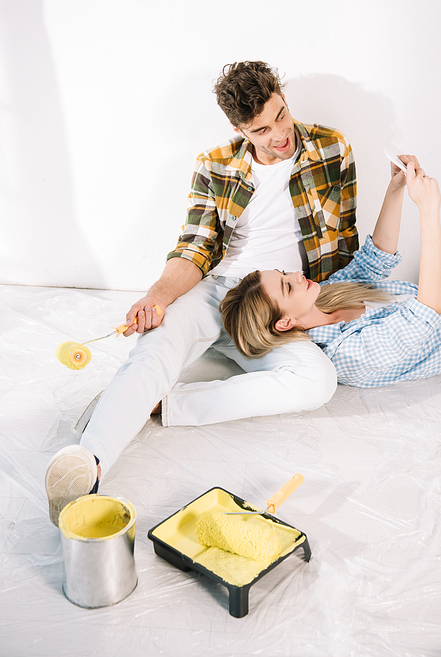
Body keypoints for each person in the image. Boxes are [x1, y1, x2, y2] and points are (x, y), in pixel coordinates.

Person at [45, 60, 358, 525]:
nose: (279, 135)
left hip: (279, 303)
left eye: (281, 115)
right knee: (156, 348)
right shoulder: (214, 165)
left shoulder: (332, 148)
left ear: (283, 97)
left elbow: (345, 241)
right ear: (239, 129)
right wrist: (157, 296)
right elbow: (195, 246)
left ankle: (162, 405)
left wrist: (330, 308)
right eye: (261, 129)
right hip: (220, 290)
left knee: (318, 380)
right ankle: (87, 466)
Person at [220, 156, 441, 387]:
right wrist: (428, 210)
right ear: (285, 323)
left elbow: (374, 259)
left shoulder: (325, 297)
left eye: (284, 273)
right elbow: (429, 312)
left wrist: (395, 188)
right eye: (287, 286)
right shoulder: (347, 355)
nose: (296, 275)